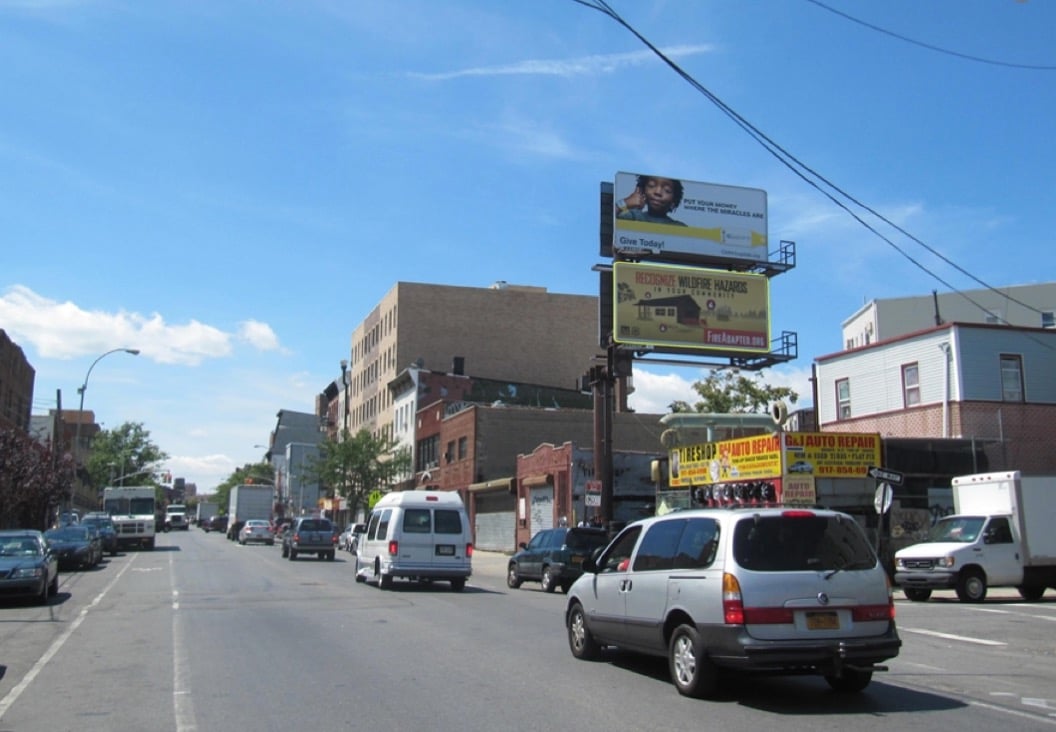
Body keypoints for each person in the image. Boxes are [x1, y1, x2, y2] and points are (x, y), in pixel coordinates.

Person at [615, 175, 688, 226]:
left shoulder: (679, 227)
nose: (658, 192)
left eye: (667, 190)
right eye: (651, 185)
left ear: (674, 201)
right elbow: (609, 222)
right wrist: (626, 202)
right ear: (642, 191)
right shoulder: (633, 216)